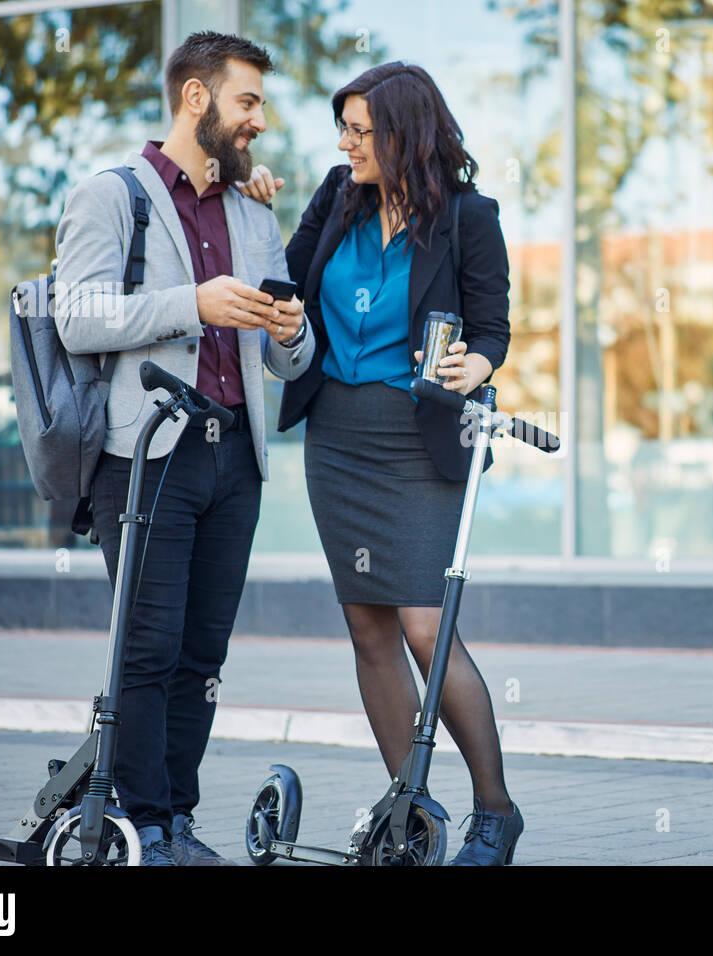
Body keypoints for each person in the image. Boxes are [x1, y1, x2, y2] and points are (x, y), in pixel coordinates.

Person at [238, 61, 521, 865]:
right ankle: (411, 811)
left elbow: (493, 324)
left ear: (404, 135)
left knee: (426, 626)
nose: (346, 144)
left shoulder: (468, 218)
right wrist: (256, 213)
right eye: (345, 130)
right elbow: (282, 287)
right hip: (338, 435)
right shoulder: (336, 196)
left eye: (361, 131)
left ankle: (494, 813)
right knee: (367, 626)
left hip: (418, 438)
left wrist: (482, 365)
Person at [54, 31, 312, 866]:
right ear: (196, 99)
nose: (259, 122)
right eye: (248, 101)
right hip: (144, 455)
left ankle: (178, 821)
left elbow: (286, 357)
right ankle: (144, 827)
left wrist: (293, 330)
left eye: (261, 105)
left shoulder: (253, 211)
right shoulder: (110, 196)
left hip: (233, 458)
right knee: (149, 646)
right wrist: (190, 303)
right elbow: (77, 315)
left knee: (202, 653)